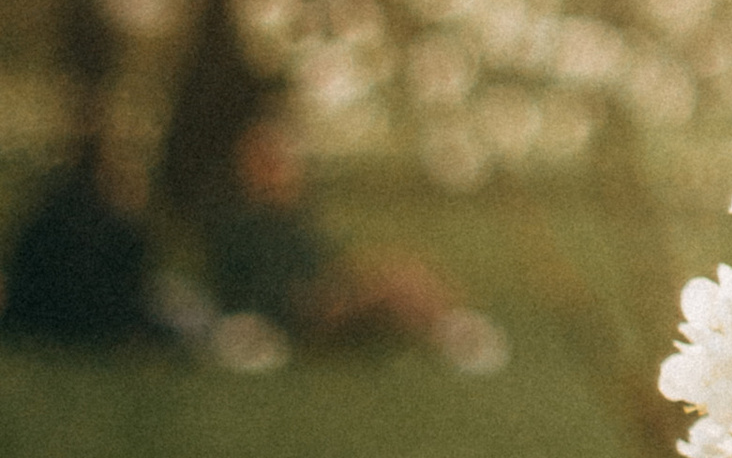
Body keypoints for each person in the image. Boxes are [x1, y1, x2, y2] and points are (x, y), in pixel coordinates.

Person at [203, 115, 506, 374]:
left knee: (400, 271)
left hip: (323, 296)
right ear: (251, 169)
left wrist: (353, 276)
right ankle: (457, 337)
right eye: (273, 165)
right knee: (394, 287)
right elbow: (259, 288)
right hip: (300, 315)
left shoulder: (291, 218)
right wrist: (323, 296)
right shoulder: (240, 223)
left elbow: (324, 262)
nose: (287, 173)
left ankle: (454, 330)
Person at [0, 118, 190, 350]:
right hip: (101, 323)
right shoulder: (119, 228)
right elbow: (133, 289)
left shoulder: (44, 212)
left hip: (40, 320)